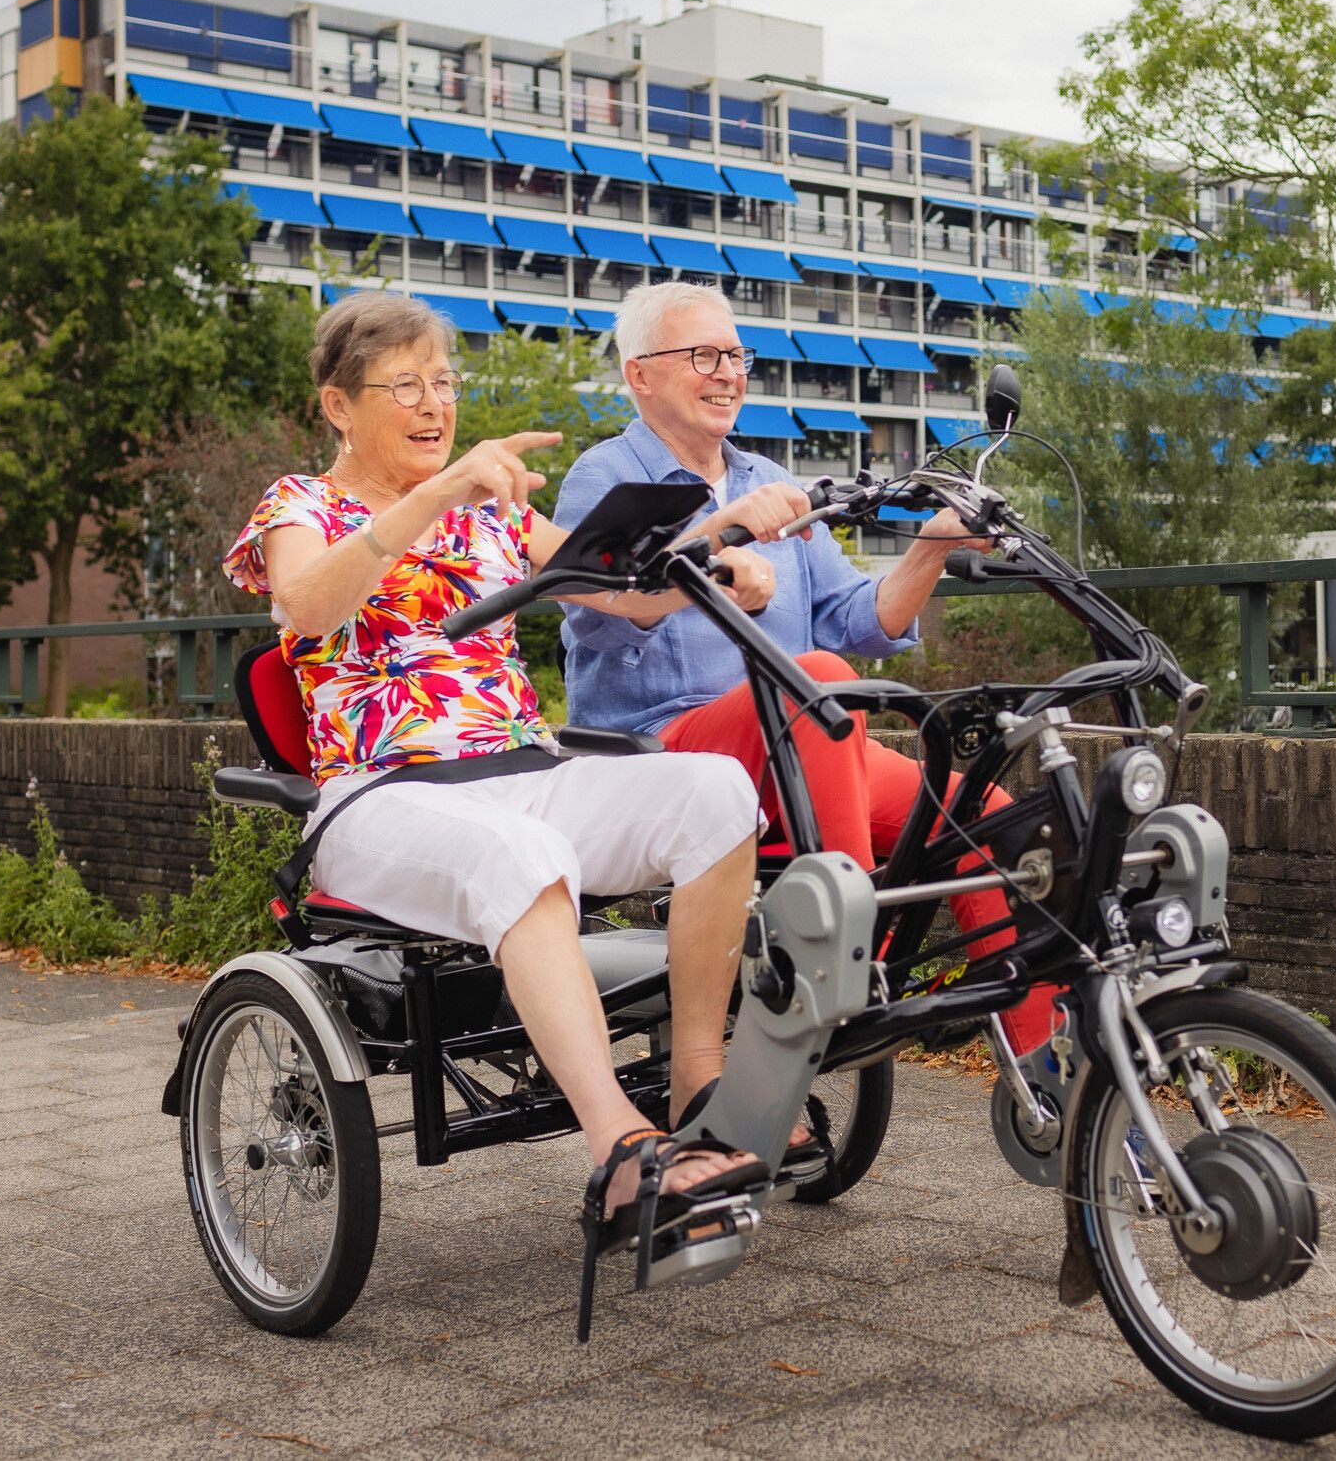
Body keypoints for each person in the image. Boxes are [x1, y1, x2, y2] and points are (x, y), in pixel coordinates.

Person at [222, 290, 785, 1235]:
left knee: (715, 792)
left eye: (443, 382)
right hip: (382, 795)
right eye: (403, 386)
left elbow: (626, 591)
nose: (434, 405)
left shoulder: (494, 516)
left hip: (522, 768)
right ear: (337, 405)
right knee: (521, 858)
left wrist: (717, 560)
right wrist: (438, 495)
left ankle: (699, 1088)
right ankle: (616, 1147)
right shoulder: (301, 505)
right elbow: (310, 607)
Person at [555, 281, 1058, 1059]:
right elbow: (607, 600)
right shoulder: (605, 475)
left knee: (987, 813)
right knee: (816, 673)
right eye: (702, 355)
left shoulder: (767, 478)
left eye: (735, 354)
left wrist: (931, 545)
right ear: (640, 374)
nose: (727, 372)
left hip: (805, 731)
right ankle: (842, 943)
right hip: (663, 751)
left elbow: (865, 617)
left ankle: (1044, 1063)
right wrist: (717, 550)